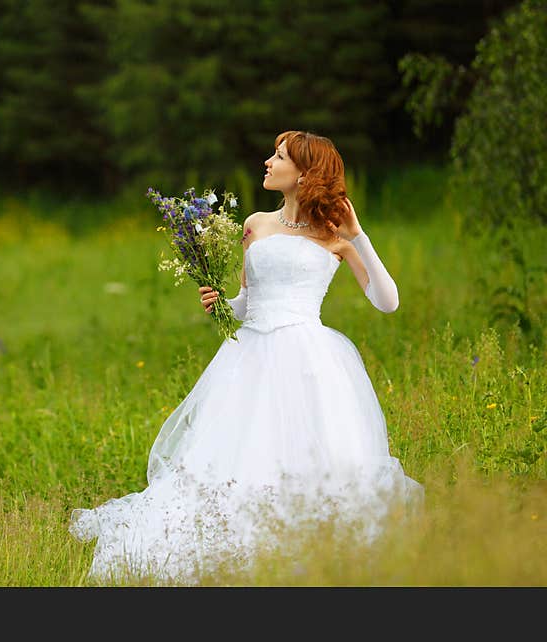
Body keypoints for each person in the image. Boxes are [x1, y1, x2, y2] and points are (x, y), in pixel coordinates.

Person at [69, 130, 424, 585]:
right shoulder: (255, 224)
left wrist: (359, 235)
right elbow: (246, 302)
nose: (267, 162)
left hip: (310, 358)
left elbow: (388, 301)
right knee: (239, 452)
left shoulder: (334, 238)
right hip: (250, 356)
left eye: (278, 158)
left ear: (305, 174)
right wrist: (220, 305)